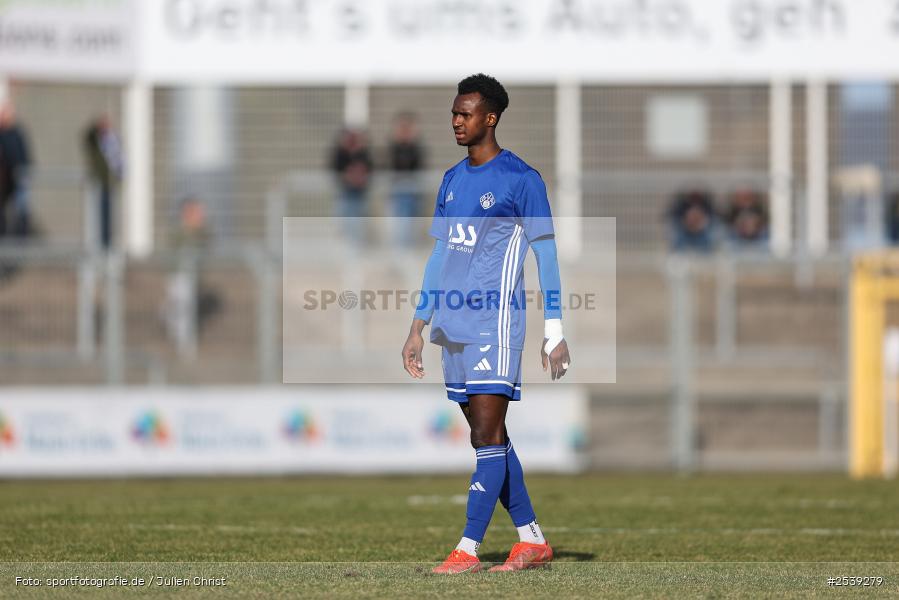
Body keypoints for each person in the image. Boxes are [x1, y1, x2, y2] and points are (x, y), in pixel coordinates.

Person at [401, 74, 571, 574]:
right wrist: (418, 323)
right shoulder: (452, 180)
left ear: (489, 118)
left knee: (489, 430)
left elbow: (548, 256)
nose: (456, 120)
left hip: (495, 320)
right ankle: (532, 539)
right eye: (454, 112)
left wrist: (554, 329)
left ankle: (468, 549)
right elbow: (439, 255)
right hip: (451, 323)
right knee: (484, 434)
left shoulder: (522, 179)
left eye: (465, 113)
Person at [83, 114, 123, 252]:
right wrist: (96, 127)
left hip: (110, 184)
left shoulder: (113, 140)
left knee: (109, 218)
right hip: (99, 185)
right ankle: (100, 246)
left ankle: (108, 246)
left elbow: (118, 160)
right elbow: (88, 137)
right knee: (98, 218)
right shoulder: (96, 140)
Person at [388, 111, 426, 247]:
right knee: (400, 224)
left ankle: (408, 248)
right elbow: (392, 165)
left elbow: (417, 165)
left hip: (412, 192)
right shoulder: (393, 147)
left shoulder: (416, 148)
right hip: (397, 192)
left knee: (411, 224)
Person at [329, 128, 372, 246]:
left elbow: (369, 170)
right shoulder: (340, 153)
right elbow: (336, 171)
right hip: (344, 194)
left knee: (358, 223)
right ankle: (345, 246)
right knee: (344, 222)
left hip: (359, 195)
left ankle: (357, 245)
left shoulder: (363, 153)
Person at [0, 101, 32, 238]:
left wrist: (25, 170)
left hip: (18, 178)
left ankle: (20, 243)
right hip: (5, 180)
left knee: (21, 212)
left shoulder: (17, 133)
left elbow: (24, 154)